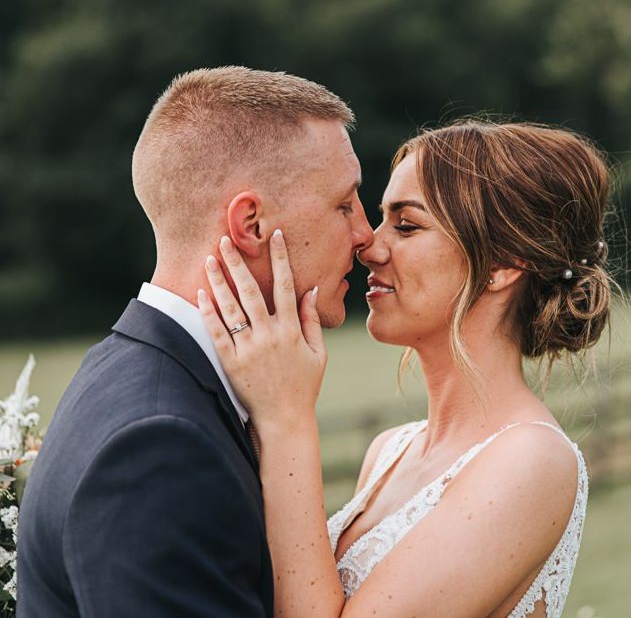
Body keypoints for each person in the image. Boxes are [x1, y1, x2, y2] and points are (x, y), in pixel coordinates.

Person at [199, 120, 613, 617]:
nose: (369, 246)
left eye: (407, 225)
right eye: (381, 220)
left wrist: (286, 417)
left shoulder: (532, 461)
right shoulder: (388, 452)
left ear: (503, 264)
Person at [17, 66, 373, 616]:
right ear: (250, 224)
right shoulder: (158, 446)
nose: (364, 235)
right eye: (344, 204)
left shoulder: (131, 372)